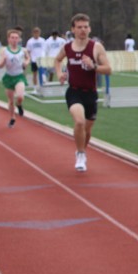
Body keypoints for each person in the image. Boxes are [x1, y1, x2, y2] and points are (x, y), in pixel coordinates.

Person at [54, 14, 111, 172]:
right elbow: (57, 60)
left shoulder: (96, 47)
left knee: (87, 130)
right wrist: (59, 74)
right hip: (74, 91)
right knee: (79, 122)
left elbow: (108, 69)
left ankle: (82, 150)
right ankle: (80, 154)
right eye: (79, 27)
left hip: (90, 93)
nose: (83, 30)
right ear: (73, 29)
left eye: (86, 27)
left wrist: (94, 66)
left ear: (90, 28)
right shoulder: (67, 47)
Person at [0, 28, 30, 127]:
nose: (14, 40)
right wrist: (3, 60)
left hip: (19, 76)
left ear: (19, 39)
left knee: (20, 96)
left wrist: (26, 63)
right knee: (11, 100)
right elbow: (0, 65)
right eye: (12, 38)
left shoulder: (23, 50)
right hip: (9, 77)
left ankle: (19, 104)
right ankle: (12, 117)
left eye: (16, 38)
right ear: (8, 39)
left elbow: (28, 58)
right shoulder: (4, 51)